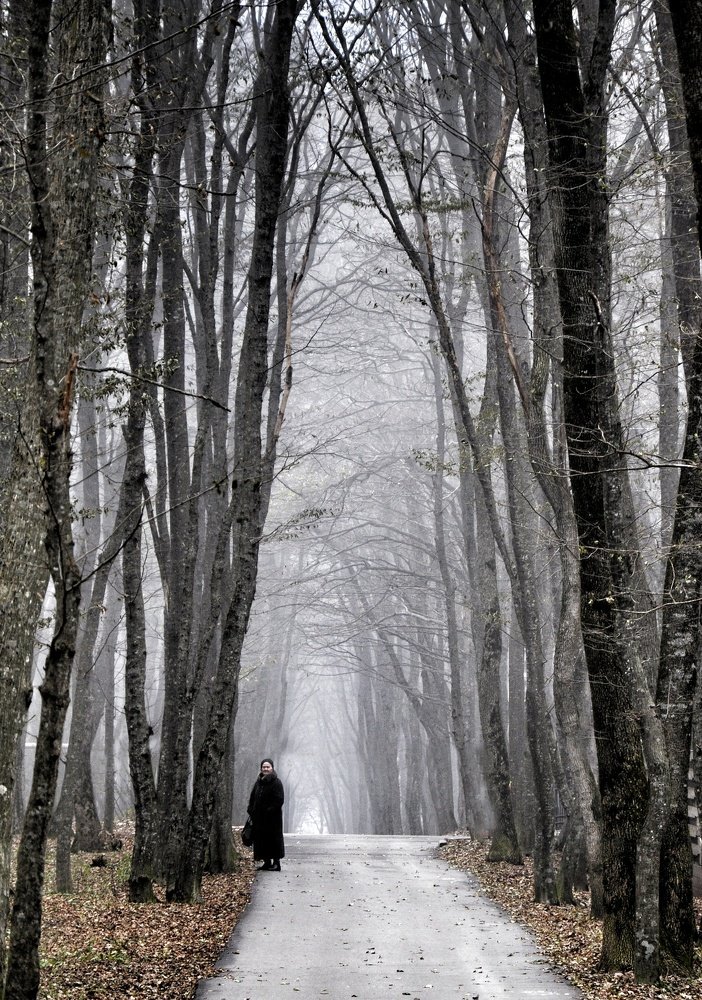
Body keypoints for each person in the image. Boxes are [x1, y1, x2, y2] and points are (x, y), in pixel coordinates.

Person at [247, 757, 285, 871]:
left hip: (273, 819)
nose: (265, 769)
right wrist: (250, 809)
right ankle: (267, 862)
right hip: (259, 818)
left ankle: (276, 863)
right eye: (264, 767)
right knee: (261, 840)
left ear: (272, 768)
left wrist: (269, 810)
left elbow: (279, 800)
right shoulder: (258, 782)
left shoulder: (277, 782)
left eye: (268, 767)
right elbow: (253, 797)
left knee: (274, 840)